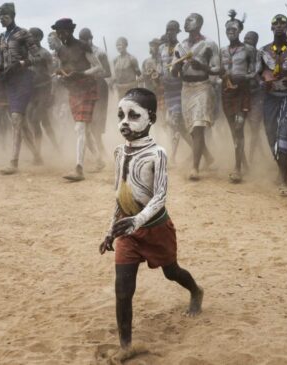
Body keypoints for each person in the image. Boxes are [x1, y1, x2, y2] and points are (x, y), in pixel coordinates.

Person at [99, 88, 203, 358]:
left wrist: (138, 220)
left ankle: (195, 290)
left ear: (151, 118)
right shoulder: (118, 152)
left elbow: (160, 197)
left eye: (134, 116)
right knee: (123, 289)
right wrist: (111, 230)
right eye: (121, 115)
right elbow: (119, 194)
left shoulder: (157, 154)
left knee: (171, 272)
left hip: (156, 229)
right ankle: (126, 346)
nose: (125, 122)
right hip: (128, 232)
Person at [256, 14, 287, 196]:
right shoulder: (262, 51)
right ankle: (280, 169)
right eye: (275, 24)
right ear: (271, 28)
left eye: (282, 23)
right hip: (270, 97)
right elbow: (257, 73)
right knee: (271, 136)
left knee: (283, 136)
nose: (278, 26)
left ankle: (284, 182)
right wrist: (265, 78)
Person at [52, 18, 104, 181]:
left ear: (70, 31)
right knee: (84, 130)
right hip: (74, 91)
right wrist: (60, 76)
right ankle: (99, 160)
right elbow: (60, 69)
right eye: (58, 33)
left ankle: (79, 168)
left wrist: (81, 74)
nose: (61, 36)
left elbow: (99, 67)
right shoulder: (60, 51)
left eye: (63, 32)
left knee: (80, 128)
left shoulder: (83, 46)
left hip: (88, 88)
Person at [172, 13, 220, 180]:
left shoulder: (209, 44)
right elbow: (173, 72)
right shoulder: (180, 46)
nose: (186, 21)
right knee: (191, 130)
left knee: (198, 126)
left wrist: (202, 66)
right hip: (186, 89)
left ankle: (194, 168)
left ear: (199, 23)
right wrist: (177, 65)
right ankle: (207, 157)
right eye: (186, 19)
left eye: (190, 19)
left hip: (202, 87)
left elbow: (217, 69)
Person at [0, 2, 43, 175]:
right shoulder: (2, 37)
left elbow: (38, 56)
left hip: (24, 79)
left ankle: (13, 162)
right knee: (19, 123)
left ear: (12, 15)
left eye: (5, 16)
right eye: (0, 16)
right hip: (9, 81)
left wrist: (22, 63)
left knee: (16, 118)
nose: (1, 19)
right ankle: (37, 155)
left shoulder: (23, 33)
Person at [220, 10, 256, 183]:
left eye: (234, 29)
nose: (230, 32)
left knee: (239, 126)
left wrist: (244, 78)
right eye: (228, 30)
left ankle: (237, 168)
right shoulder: (222, 51)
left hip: (242, 91)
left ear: (240, 30)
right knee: (233, 130)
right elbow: (216, 70)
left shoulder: (248, 50)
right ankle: (243, 161)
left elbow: (255, 70)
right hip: (226, 92)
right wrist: (221, 75)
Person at [159, 21, 192, 164]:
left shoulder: (182, 47)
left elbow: (187, 66)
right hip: (167, 90)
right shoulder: (161, 48)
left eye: (172, 30)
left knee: (176, 121)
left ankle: (172, 156)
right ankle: (198, 148)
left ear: (178, 32)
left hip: (179, 89)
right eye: (167, 30)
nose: (169, 33)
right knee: (173, 124)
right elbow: (161, 66)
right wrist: (159, 77)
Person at [79, 27, 111, 159]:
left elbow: (107, 72)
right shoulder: (80, 53)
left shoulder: (100, 53)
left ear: (90, 39)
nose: (83, 43)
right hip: (85, 88)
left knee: (97, 119)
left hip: (100, 87)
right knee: (87, 120)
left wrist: (94, 75)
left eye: (84, 40)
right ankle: (93, 152)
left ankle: (101, 150)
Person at [27, 27, 59, 155]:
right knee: (45, 122)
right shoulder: (28, 53)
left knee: (35, 120)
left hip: (44, 91)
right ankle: (57, 148)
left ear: (39, 38)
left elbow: (53, 74)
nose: (30, 39)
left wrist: (52, 93)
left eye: (32, 36)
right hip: (33, 92)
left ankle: (37, 153)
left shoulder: (45, 54)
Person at [244, 31, 266, 163]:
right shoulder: (239, 56)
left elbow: (263, 76)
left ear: (256, 41)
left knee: (255, 127)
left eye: (250, 39)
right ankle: (258, 155)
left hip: (257, 96)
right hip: (243, 95)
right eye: (245, 38)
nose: (246, 40)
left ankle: (252, 159)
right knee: (244, 127)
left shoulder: (261, 56)